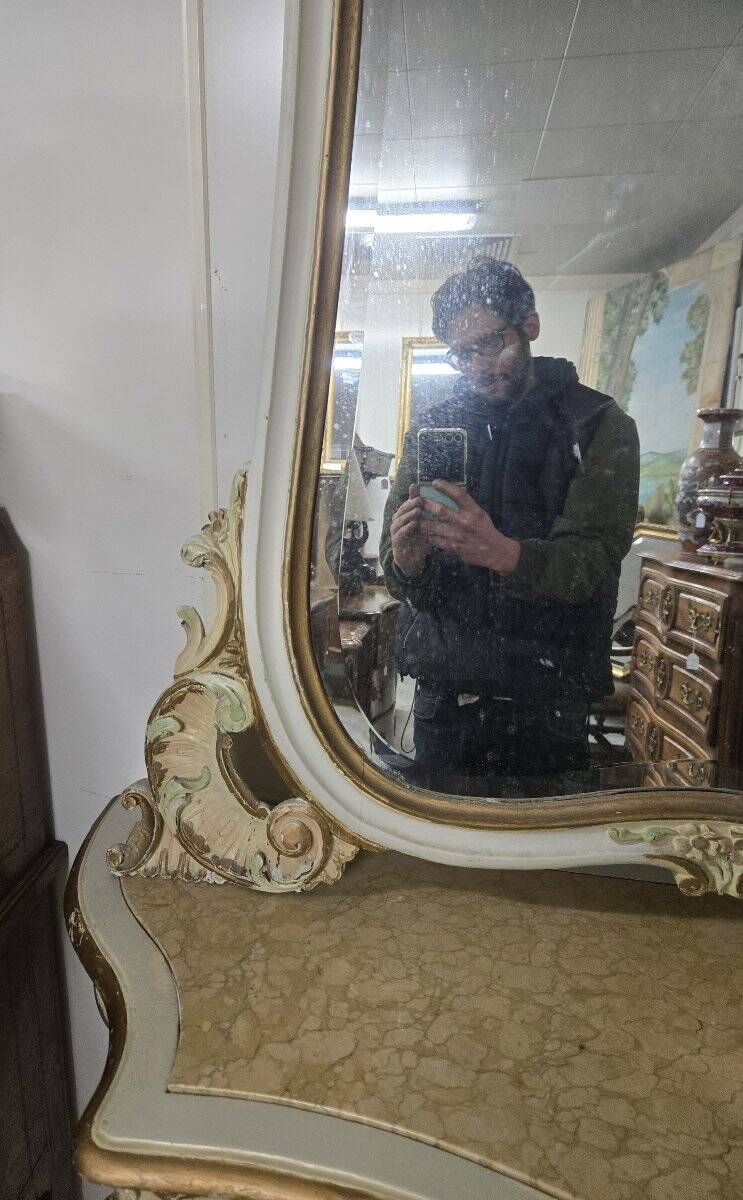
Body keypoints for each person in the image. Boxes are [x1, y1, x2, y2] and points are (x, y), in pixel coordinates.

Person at [379, 257, 640, 790]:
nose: (475, 365)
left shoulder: (598, 425)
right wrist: (405, 560)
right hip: (441, 698)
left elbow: (591, 563)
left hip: (546, 705)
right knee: (439, 853)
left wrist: (501, 552)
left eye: (489, 343)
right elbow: (394, 569)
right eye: (461, 352)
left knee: (535, 865)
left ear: (531, 325)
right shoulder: (434, 425)